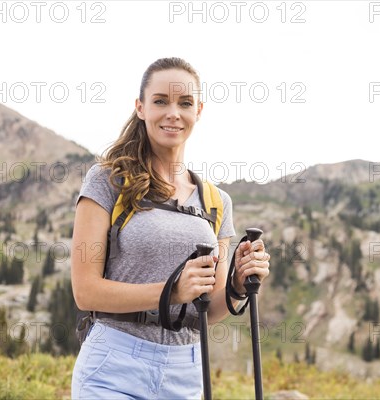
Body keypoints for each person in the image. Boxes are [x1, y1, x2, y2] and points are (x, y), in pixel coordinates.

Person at [70, 57, 270, 399]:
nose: (173, 113)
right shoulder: (108, 180)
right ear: (141, 108)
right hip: (115, 364)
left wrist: (237, 283)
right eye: (160, 101)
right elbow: (85, 291)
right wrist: (171, 292)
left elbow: (210, 309)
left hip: (188, 370)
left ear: (199, 111)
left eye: (185, 103)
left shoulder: (217, 201)